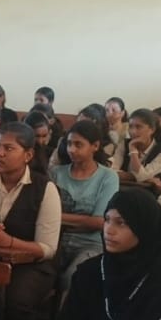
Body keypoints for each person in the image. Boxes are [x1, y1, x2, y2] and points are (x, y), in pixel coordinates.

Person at [54, 188, 161, 320]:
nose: (109, 230)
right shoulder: (90, 271)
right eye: (107, 220)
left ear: (143, 227)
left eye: (121, 223)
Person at [0, 122, 62, 320]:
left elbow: (47, 249)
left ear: (28, 155)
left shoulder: (45, 188)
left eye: (8, 148)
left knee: (17, 300)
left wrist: (8, 241)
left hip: (32, 265)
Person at [50, 121, 119, 286]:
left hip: (90, 244)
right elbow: (42, 213)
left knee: (74, 276)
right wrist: (81, 220)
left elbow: (99, 222)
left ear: (95, 146)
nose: (71, 149)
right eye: (69, 144)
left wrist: (55, 217)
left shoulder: (108, 177)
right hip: (55, 240)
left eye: (78, 144)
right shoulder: (56, 173)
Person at [118, 108, 161, 188]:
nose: (133, 131)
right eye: (130, 126)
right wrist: (146, 178)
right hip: (123, 188)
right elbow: (111, 172)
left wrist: (133, 150)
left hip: (148, 192)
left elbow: (141, 177)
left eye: (138, 127)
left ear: (152, 129)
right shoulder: (124, 144)